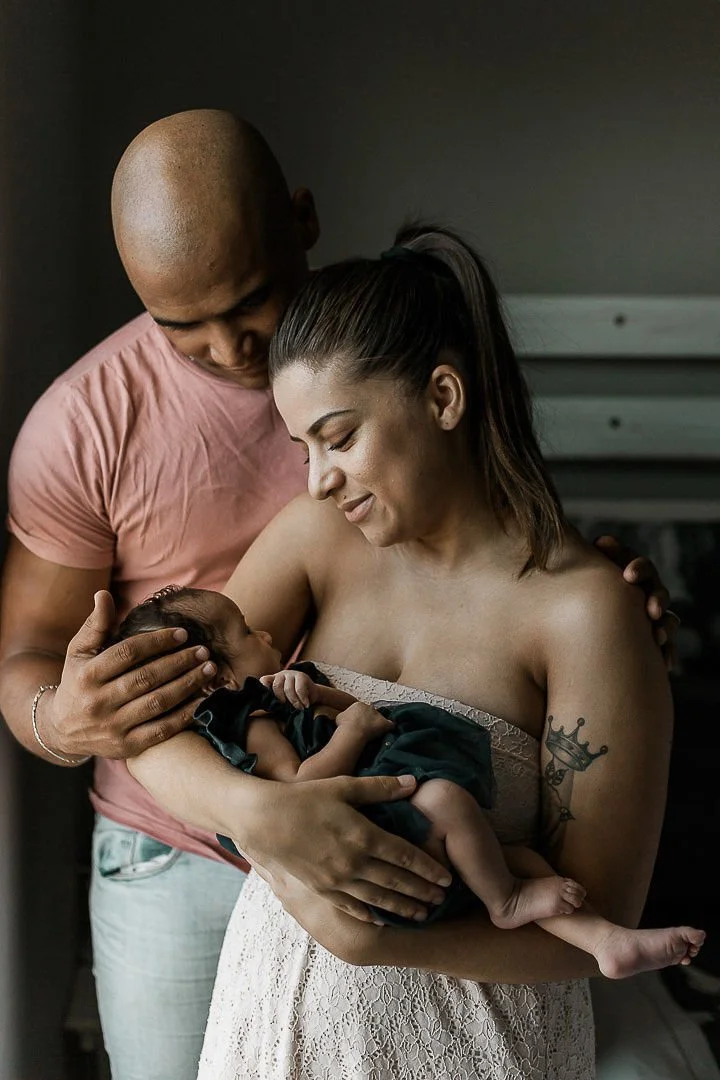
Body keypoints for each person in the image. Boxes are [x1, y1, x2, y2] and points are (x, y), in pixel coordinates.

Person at [0, 109, 676, 1080]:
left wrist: (370, 939)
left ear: (442, 400)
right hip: (238, 941)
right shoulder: (292, 522)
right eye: (182, 327)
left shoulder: (579, 607)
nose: (231, 350)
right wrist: (239, 804)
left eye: (337, 437)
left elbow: (599, 904)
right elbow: (147, 689)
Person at [117, 582, 704, 978]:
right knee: (450, 803)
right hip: (367, 839)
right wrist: (349, 729)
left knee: (516, 856)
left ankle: (601, 940)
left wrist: (320, 694)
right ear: (217, 680)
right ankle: (506, 902)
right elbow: (296, 789)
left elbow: (358, 709)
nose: (266, 636)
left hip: (389, 827)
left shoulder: (278, 694)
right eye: (248, 633)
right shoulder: (251, 723)